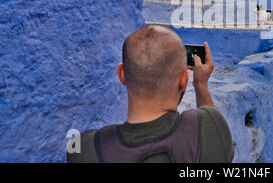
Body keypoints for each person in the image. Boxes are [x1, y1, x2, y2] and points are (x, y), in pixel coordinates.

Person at [67, 25, 234, 163]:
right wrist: (201, 84)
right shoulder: (209, 130)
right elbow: (210, 120)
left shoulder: (85, 150)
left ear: (122, 74)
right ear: (184, 80)